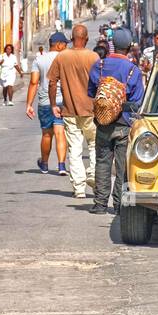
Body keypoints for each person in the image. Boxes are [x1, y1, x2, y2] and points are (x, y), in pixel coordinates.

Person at [86, 28, 145, 215]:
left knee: (102, 162)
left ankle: (100, 204)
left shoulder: (100, 65)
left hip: (103, 122)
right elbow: (137, 101)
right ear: (128, 47)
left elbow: (91, 92)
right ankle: (119, 205)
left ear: (112, 45)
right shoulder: (133, 70)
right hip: (124, 123)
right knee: (123, 166)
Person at [49, 23, 102, 198]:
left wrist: (53, 105)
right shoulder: (94, 57)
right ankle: (93, 175)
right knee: (94, 145)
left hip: (70, 110)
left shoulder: (62, 57)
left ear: (72, 39)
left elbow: (52, 82)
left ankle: (79, 188)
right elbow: (100, 83)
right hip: (92, 110)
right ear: (86, 39)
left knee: (75, 149)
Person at [27, 33, 68, 175]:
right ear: (59, 45)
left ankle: (44, 164)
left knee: (46, 135)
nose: (66, 47)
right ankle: (61, 165)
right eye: (65, 44)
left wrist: (29, 104)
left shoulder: (39, 59)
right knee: (60, 132)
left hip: (44, 102)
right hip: (62, 102)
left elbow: (33, 82)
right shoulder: (65, 59)